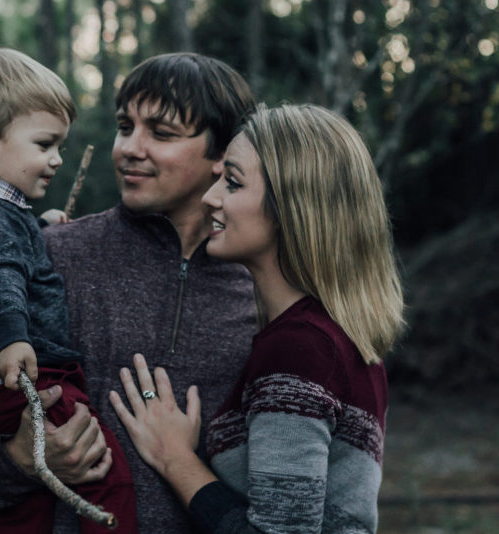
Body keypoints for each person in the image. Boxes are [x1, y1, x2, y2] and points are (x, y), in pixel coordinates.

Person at [0, 52, 259, 533]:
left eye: (160, 133)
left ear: (221, 154)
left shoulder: (260, 292)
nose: (129, 149)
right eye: (124, 126)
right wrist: (19, 458)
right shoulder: (52, 253)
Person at [110, 103, 406, 533]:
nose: (210, 198)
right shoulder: (330, 335)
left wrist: (177, 460)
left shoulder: (300, 349)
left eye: (232, 183)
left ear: (292, 206)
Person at [0, 48, 136, 533]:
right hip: (10, 379)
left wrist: (37, 230)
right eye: (45, 144)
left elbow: (1, 252)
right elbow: (0, 272)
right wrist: (12, 337)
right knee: (108, 477)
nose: (56, 159)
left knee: (30, 503)